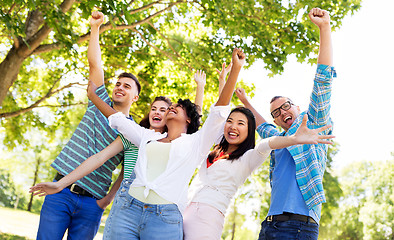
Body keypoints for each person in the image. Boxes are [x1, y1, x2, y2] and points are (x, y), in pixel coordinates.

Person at [82, 48, 245, 239]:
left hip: (164, 219)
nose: (173, 107)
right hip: (127, 210)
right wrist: (93, 96)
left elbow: (219, 110)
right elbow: (118, 119)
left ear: (189, 120)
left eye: (179, 107)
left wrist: (235, 70)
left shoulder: (196, 142)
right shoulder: (147, 136)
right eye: (172, 107)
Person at [34, 11, 141, 239]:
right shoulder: (98, 100)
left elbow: (125, 171)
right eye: (118, 84)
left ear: (135, 97)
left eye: (127, 86)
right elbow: (95, 64)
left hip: (93, 202)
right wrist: (95, 28)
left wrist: (106, 201)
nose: (120, 87)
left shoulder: (132, 131)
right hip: (60, 191)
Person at [238, 8, 336, 239]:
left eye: (286, 106)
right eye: (276, 112)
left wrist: (324, 28)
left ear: (297, 108)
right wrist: (245, 100)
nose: (283, 112)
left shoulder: (314, 124)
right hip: (270, 225)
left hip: (300, 226)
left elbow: (323, 82)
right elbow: (261, 124)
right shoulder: (278, 139)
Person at [183, 106, 334, 239]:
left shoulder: (247, 158)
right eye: (230, 121)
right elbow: (210, 119)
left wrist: (293, 139)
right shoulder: (214, 150)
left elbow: (266, 144)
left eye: (241, 123)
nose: (233, 126)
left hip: (207, 217)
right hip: (183, 209)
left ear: (249, 131)